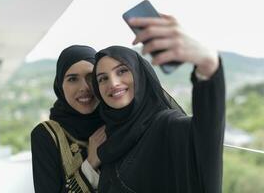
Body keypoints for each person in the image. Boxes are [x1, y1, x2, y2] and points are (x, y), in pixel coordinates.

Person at [91, 15, 225, 193]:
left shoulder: (167, 125)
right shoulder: (109, 138)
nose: (113, 83)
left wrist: (208, 66)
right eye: (102, 79)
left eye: (122, 71)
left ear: (140, 75)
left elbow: (208, 132)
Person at [31, 45, 106, 193]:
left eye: (91, 77)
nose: (84, 87)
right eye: (72, 79)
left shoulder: (118, 123)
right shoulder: (47, 135)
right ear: (60, 86)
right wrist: (90, 164)